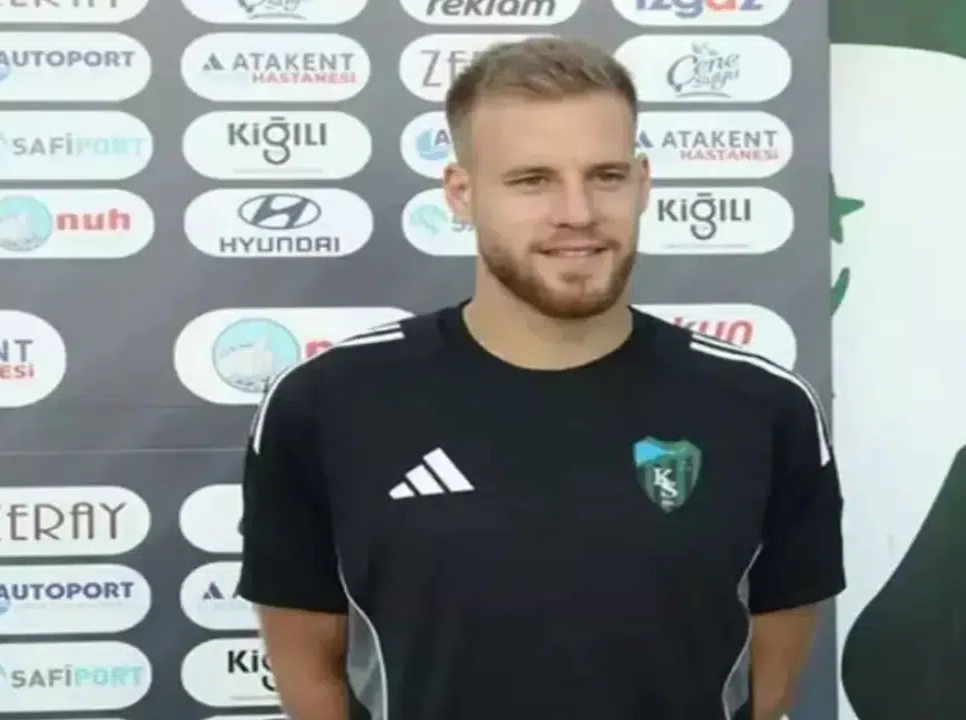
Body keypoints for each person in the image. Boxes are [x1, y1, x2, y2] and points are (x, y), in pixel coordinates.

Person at [237, 37, 844, 720]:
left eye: (606, 176)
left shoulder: (766, 409)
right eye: (533, 180)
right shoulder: (325, 404)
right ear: (461, 193)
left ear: (643, 183)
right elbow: (310, 676)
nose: (577, 212)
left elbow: (767, 686)